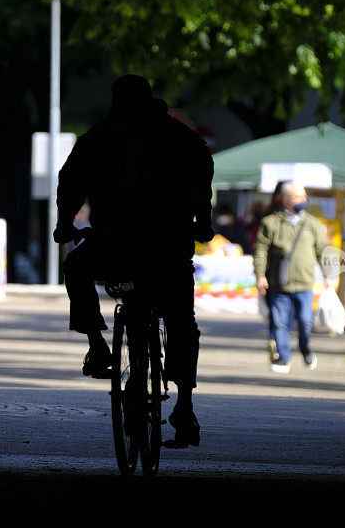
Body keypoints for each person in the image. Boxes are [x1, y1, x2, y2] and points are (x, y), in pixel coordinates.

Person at [54, 74, 213, 448]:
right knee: (180, 321)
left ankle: (96, 343)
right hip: (167, 250)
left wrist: (65, 225)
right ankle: (185, 407)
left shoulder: (98, 138)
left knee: (76, 267)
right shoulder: (180, 138)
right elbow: (202, 176)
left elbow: (70, 182)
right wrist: (201, 223)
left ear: (115, 101)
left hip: (115, 247)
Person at [254, 181, 328, 373]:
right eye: (298, 197)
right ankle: (283, 359)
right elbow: (260, 252)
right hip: (279, 284)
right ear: (285, 200)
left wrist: (329, 274)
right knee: (279, 323)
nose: (303, 200)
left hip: (305, 284)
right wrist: (260, 276)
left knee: (305, 321)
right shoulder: (270, 223)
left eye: (304, 196)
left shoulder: (313, 223)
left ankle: (305, 348)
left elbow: (323, 251)